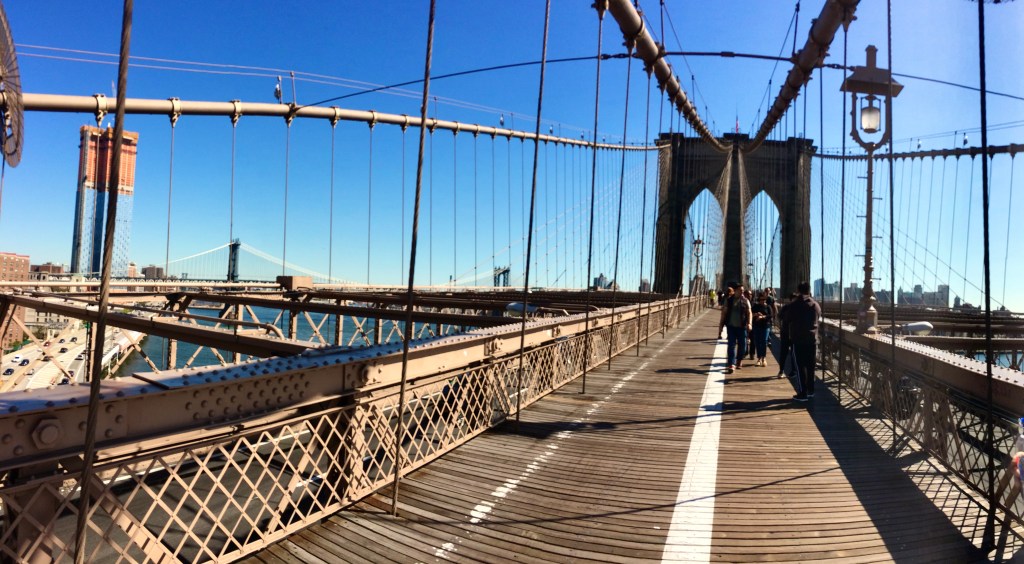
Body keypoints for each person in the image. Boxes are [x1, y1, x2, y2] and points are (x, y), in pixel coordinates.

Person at [788, 281, 822, 402]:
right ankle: (811, 391)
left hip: (799, 340)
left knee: (800, 367)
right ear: (809, 290)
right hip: (812, 340)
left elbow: (786, 318)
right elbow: (818, 317)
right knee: (811, 366)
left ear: (798, 290)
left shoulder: (795, 304)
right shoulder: (816, 305)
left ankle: (802, 393)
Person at [719, 283, 751, 373]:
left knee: (743, 346)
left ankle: (739, 360)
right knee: (731, 346)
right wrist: (721, 326)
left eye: (743, 291)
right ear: (735, 290)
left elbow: (749, 313)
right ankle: (731, 364)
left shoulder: (746, 300)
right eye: (740, 290)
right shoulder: (728, 300)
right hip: (731, 327)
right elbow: (724, 313)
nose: (742, 292)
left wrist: (750, 323)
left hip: (742, 327)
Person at [750, 291, 773, 366]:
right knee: (757, 342)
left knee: (764, 342)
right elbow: (750, 313)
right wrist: (756, 314)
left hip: (765, 326)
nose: (762, 301)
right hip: (756, 326)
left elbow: (771, 315)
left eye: (763, 299)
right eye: (760, 300)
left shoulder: (768, 307)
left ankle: (764, 358)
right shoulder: (755, 306)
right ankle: (759, 358)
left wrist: (763, 316)